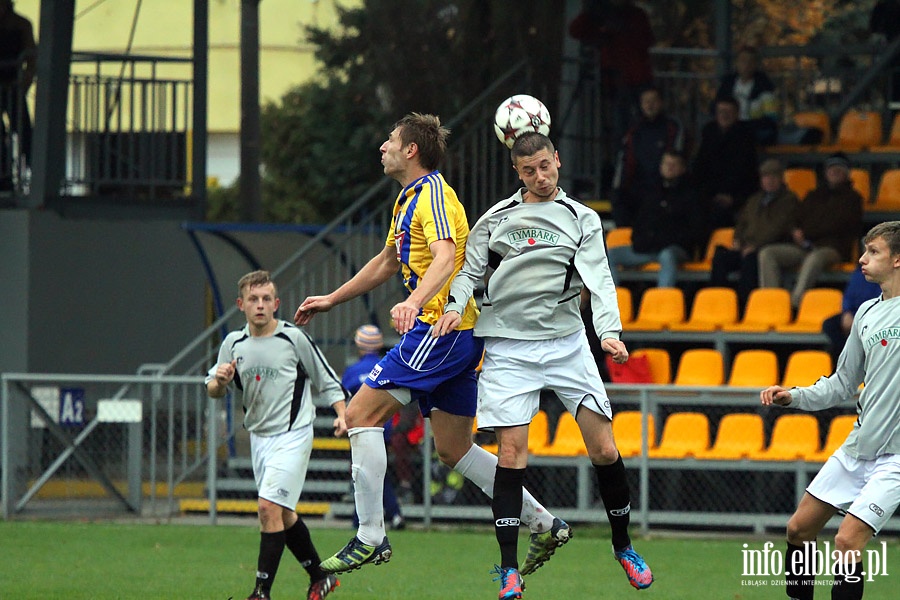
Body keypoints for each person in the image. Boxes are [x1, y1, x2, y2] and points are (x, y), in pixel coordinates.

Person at [294, 113, 566, 578]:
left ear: (411, 150)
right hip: (456, 335)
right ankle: (543, 522)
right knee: (454, 449)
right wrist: (332, 299)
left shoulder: (435, 195)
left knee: (359, 415)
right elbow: (386, 261)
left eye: (390, 141)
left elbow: (445, 256)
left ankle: (370, 536)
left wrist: (414, 301)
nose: (383, 147)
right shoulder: (408, 199)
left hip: (439, 330)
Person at [436, 132, 653, 598]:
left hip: (567, 343)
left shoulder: (581, 218)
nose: (540, 176)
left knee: (604, 450)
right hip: (509, 348)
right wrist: (456, 306)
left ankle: (623, 546)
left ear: (557, 159)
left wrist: (609, 332)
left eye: (545, 166)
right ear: (517, 171)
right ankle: (509, 569)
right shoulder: (495, 219)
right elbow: (469, 272)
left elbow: (600, 277)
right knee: (511, 454)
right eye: (529, 170)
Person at [760, 220, 900, 600]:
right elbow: (841, 383)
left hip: (897, 458)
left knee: (847, 539)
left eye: (874, 252)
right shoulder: (867, 314)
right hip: (859, 448)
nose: (862, 259)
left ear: (898, 259)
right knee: (798, 530)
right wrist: (795, 396)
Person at [206, 270, 347, 600]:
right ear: (241, 304)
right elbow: (212, 388)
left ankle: (260, 593)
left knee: (268, 507)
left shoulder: (293, 338)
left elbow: (326, 379)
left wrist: (342, 414)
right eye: (253, 299)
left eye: (266, 299)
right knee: (282, 513)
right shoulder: (233, 344)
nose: (260, 305)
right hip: (260, 438)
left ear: (276, 304)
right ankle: (320, 577)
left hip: (293, 434)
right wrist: (220, 382)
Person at [758, 152, 864, 309]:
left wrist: (806, 232)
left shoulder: (853, 198)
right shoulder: (813, 195)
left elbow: (837, 225)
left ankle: (795, 303)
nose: (834, 171)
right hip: (805, 246)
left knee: (814, 258)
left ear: (847, 173)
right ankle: (772, 302)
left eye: (839, 168)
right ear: (825, 172)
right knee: (768, 253)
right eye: (831, 168)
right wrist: (795, 231)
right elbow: (796, 217)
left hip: (833, 249)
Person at [340, 324, 414, 530]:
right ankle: (393, 515)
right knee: (378, 472)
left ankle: (361, 520)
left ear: (358, 344)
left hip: (360, 428)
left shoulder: (353, 371)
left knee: (363, 473)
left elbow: (343, 395)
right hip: (386, 428)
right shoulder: (387, 365)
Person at [607, 150, 702, 288]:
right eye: (666, 163)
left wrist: (664, 240)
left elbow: (694, 230)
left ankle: (662, 301)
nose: (669, 167)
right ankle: (612, 303)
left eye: (674, 165)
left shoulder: (691, 195)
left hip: (675, 249)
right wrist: (640, 240)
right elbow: (640, 222)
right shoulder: (650, 192)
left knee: (667, 255)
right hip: (649, 248)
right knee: (610, 255)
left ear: (682, 168)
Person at [710, 158, 799, 305]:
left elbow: (778, 228)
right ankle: (718, 303)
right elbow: (741, 222)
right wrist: (738, 239)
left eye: (773, 176)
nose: (769, 180)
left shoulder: (789, 200)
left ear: (781, 178)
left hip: (770, 246)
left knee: (750, 261)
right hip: (747, 246)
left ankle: (745, 304)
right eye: (765, 177)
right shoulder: (754, 200)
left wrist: (755, 246)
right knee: (720, 258)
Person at [569, 0, 655, 146]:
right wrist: (592, 14)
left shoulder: (636, 16)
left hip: (636, 80)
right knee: (618, 125)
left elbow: (646, 40)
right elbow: (575, 30)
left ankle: (635, 157)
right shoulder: (602, 14)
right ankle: (620, 158)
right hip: (614, 81)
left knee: (641, 123)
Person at [611, 84, 688, 227]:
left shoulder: (672, 127)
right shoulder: (633, 130)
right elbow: (624, 162)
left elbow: (676, 158)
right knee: (620, 200)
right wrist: (619, 189)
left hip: (664, 187)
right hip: (639, 186)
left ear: (661, 103)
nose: (649, 105)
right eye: (646, 101)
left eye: (653, 100)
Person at [692, 95, 760, 230]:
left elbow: (748, 174)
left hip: (735, 196)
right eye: (721, 112)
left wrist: (734, 198)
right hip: (709, 194)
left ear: (737, 114)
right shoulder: (709, 134)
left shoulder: (745, 138)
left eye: (729, 112)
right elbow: (700, 169)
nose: (724, 115)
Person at [0, 0, 36, 192]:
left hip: (13, 87)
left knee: (24, 133)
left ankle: (34, 175)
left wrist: (23, 86)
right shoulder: (21, 24)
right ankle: (4, 178)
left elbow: (31, 58)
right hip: (11, 87)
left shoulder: (21, 25)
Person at [714, 46, 779, 146]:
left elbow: (771, 118)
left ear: (756, 65)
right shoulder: (728, 83)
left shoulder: (764, 86)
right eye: (743, 61)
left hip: (753, 129)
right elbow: (715, 105)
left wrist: (745, 126)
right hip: (729, 126)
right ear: (737, 63)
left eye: (751, 61)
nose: (746, 65)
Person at [822, 263, 881, 365]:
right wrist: (847, 312)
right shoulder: (860, 271)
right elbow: (849, 294)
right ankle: (847, 361)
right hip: (854, 313)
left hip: (877, 315)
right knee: (830, 325)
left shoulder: (889, 274)